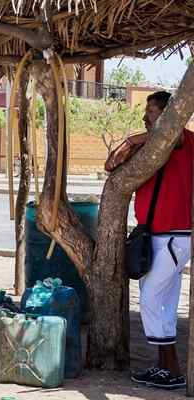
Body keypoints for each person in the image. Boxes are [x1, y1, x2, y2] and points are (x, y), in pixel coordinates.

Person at [105, 91, 193, 390]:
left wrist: (133, 140)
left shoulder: (182, 140)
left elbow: (175, 135)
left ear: (169, 115)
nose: (145, 117)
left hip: (170, 236)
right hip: (163, 236)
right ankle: (165, 367)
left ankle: (171, 367)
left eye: (151, 112)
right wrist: (130, 143)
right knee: (163, 301)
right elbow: (110, 165)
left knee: (151, 300)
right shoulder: (151, 149)